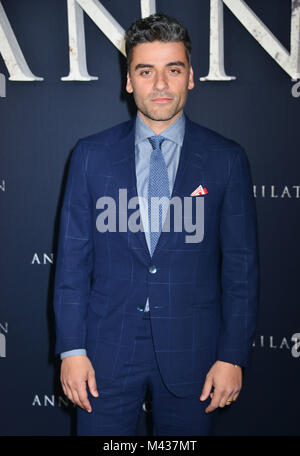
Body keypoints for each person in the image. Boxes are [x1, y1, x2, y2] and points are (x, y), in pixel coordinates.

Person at [53, 13, 259, 436]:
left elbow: (241, 269)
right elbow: (72, 263)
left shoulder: (226, 159)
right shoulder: (90, 156)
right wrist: (71, 349)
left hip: (196, 355)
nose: (160, 84)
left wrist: (232, 355)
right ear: (129, 80)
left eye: (173, 70)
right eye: (146, 71)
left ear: (191, 78)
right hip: (104, 354)